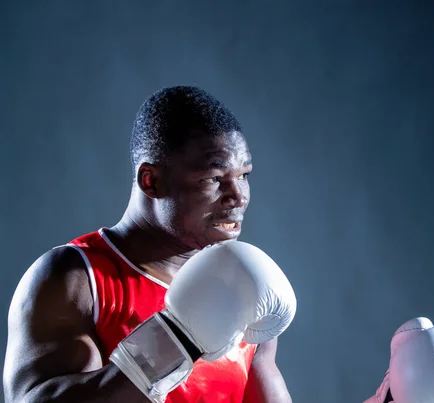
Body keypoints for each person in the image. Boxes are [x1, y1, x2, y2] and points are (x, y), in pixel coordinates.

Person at [3, 86, 295, 403]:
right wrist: (177, 338)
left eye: (244, 174)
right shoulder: (77, 278)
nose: (238, 196)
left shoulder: (240, 284)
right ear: (151, 181)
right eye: (212, 178)